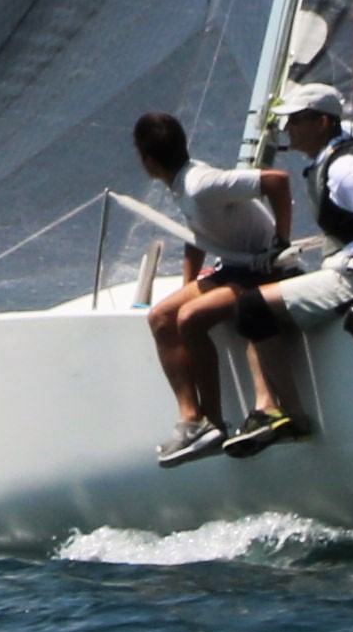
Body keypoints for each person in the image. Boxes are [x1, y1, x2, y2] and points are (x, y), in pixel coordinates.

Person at [127, 107, 309, 463]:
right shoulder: (183, 186)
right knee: (162, 316)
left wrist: (280, 241)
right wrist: (189, 282)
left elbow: (277, 180)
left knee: (190, 318)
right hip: (233, 269)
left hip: (263, 271)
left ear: (148, 161)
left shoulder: (200, 182)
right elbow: (199, 234)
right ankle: (191, 420)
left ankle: (213, 423)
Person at [255, 84, 353, 357]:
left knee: (251, 307)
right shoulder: (329, 161)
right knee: (267, 303)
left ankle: (273, 400)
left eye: (297, 120)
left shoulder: (346, 170)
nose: (288, 128)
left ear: (322, 122)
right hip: (347, 271)